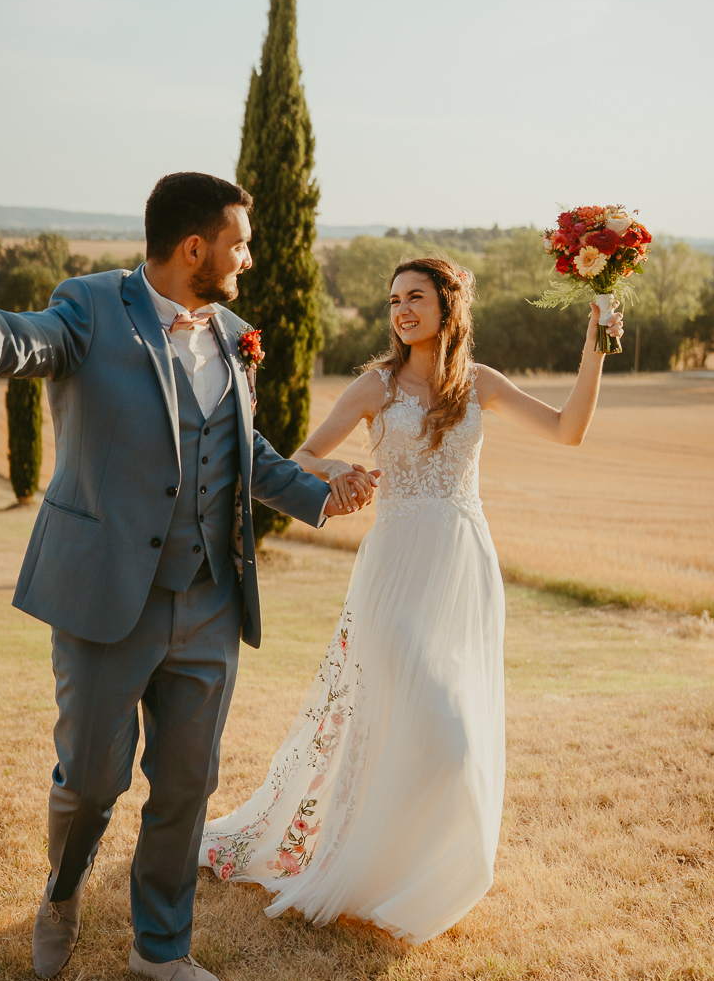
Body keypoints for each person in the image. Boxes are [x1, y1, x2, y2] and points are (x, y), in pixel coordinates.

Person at [0, 173, 373, 981]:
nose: (247, 258)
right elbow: (4, 341)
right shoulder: (88, 306)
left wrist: (320, 490)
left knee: (187, 782)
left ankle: (160, 944)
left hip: (212, 601)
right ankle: (64, 889)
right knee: (91, 782)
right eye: (239, 244)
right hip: (106, 595)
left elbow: (242, 450)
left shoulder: (232, 334)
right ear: (195, 248)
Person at [200, 254, 622, 942]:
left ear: (447, 305)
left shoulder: (479, 383)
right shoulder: (375, 385)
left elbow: (568, 428)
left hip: (462, 568)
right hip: (393, 569)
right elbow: (304, 454)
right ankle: (363, 861)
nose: (400, 308)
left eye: (415, 296)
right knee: (431, 727)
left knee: (436, 725)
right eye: (393, 297)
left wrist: (594, 340)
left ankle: (408, 871)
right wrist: (343, 470)